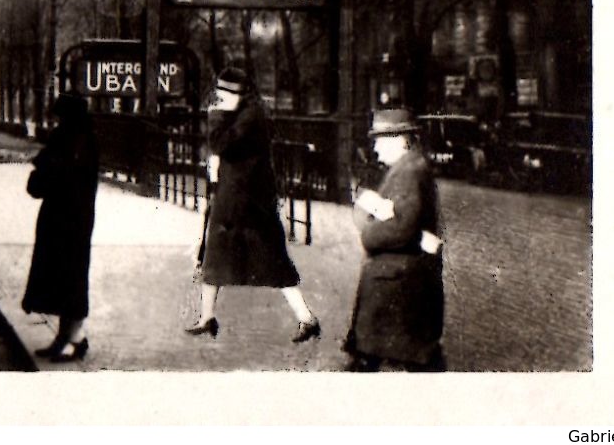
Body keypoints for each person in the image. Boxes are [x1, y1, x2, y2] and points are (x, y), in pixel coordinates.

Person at [186, 66, 322, 343]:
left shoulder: (250, 117)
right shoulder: (246, 113)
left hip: (249, 204)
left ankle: (307, 319)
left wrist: (215, 115)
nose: (221, 100)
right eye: (219, 95)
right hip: (235, 199)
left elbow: (220, 143)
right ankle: (207, 318)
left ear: (240, 95)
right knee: (215, 257)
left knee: (273, 263)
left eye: (226, 95)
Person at [343, 108, 446, 371]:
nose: (375, 149)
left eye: (379, 141)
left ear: (400, 140)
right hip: (401, 277)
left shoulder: (409, 172)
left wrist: (368, 232)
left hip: (397, 280)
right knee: (412, 356)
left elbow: (400, 228)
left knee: (382, 355)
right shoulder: (409, 166)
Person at [22, 92, 100, 362]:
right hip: (70, 218)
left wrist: (41, 172)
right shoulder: (82, 138)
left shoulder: (71, 139)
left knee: (68, 278)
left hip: (67, 219)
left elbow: (48, 177)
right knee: (68, 277)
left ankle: (74, 339)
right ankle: (66, 337)